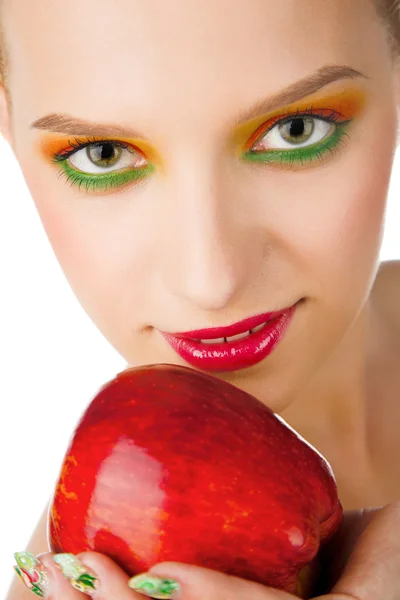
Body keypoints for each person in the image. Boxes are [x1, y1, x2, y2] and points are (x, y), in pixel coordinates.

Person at [1, 0, 400, 598]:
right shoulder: (71, 581)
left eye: (296, 129)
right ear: (7, 124)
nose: (210, 279)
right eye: (101, 153)